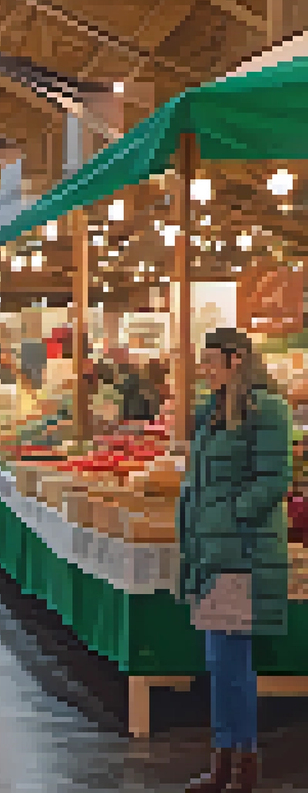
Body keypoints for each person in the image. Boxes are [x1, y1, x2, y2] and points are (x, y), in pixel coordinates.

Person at [179, 329, 290, 793]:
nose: (204, 370)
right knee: (218, 661)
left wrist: (227, 516)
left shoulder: (267, 410)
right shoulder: (212, 411)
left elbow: (274, 479)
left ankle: (242, 764)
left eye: (211, 361)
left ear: (237, 359)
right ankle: (224, 760)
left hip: (242, 552)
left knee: (232, 662)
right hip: (211, 551)